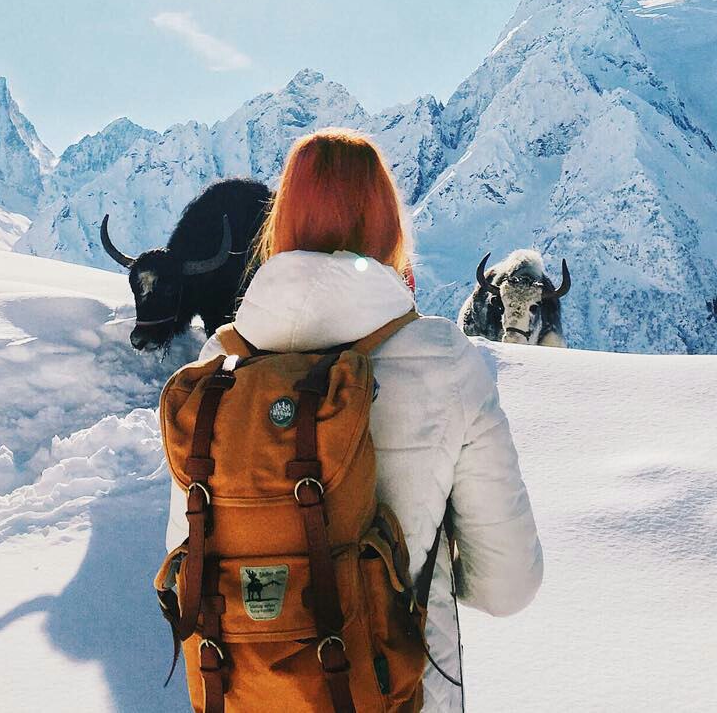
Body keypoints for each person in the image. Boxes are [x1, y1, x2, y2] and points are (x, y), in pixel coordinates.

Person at [166, 128, 543, 711]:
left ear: (279, 224)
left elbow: (184, 568)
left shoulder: (216, 372)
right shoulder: (444, 362)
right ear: (388, 226)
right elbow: (508, 586)